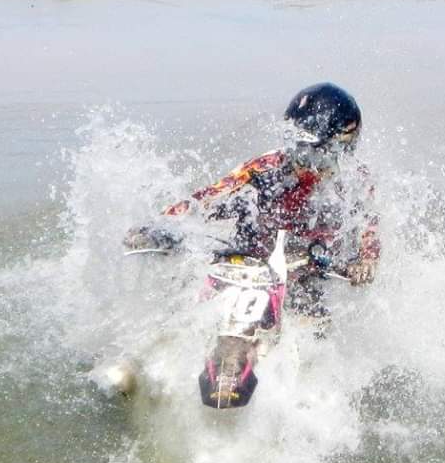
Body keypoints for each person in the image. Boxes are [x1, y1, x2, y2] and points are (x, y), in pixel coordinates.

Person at [126, 82, 379, 311]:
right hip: (245, 266)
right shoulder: (266, 165)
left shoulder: (355, 181)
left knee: (314, 329)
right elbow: (205, 198)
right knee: (188, 315)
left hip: (307, 274)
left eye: (315, 153)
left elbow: (369, 226)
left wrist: (365, 262)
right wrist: (160, 224)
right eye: (296, 149)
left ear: (342, 147)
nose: (303, 162)